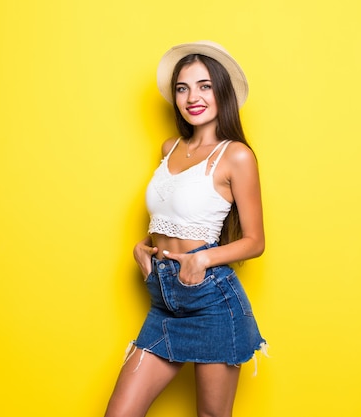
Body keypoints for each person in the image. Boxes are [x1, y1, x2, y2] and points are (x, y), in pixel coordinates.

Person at [104, 40, 268, 417]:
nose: (192, 97)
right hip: (164, 299)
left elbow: (255, 241)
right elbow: (172, 212)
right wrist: (141, 248)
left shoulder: (236, 155)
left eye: (204, 86)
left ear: (221, 92)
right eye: (183, 88)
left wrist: (202, 260)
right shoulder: (169, 147)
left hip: (211, 300)